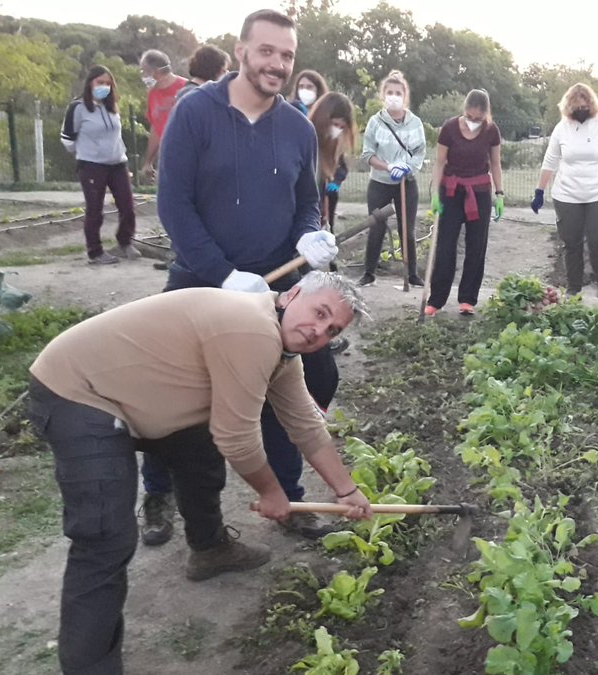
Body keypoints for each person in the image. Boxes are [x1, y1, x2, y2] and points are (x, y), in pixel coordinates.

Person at [28, 271, 374, 675]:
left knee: (198, 453)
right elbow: (238, 437)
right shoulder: (253, 330)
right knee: (104, 538)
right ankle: (89, 668)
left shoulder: (283, 351)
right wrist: (272, 494)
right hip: (79, 392)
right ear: (293, 293)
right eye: (319, 313)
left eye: (331, 329)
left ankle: (209, 550)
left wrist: (347, 491)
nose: (318, 331)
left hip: (137, 392)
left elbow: (305, 425)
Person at [150, 8, 341, 543]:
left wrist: (309, 235)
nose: (276, 65)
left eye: (286, 55)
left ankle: (289, 498)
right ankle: (159, 494)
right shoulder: (195, 113)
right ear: (241, 51)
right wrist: (222, 273)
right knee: (179, 399)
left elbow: (307, 204)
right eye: (266, 52)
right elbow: (175, 208)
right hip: (201, 281)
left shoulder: (297, 130)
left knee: (298, 384)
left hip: (276, 285)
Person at [532, 83, 598, 303]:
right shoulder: (562, 128)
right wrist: (539, 191)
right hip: (567, 194)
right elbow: (550, 161)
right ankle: (574, 288)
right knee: (571, 242)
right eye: (576, 106)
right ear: (569, 107)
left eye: (585, 106)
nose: (581, 110)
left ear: (591, 105)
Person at [425, 89, 503, 316]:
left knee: (476, 246)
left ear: (486, 115)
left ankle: (467, 299)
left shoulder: (491, 131)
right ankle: (436, 300)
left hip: (479, 192)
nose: (473, 122)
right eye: (470, 117)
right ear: (464, 110)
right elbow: (439, 162)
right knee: (446, 246)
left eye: (478, 118)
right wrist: (435, 194)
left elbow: (496, 164)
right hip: (451, 191)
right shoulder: (449, 128)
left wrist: (499, 194)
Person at [60, 65, 139, 266]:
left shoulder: (111, 106)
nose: (104, 87)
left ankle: (125, 241)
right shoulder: (78, 108)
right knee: (95, 210)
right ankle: (95, 251)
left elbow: (116, 134)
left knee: (127, 206)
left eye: (108, 84)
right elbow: (67, 137)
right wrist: (85, 152)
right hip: (92, 165)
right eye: (100, 83)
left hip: (118, 163)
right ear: (90, 83)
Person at [359, 69, 427, 287]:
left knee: (406, 229)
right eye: (390, 92)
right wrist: (389, 167)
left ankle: (412, 274)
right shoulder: (375, 122)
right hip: (380, 182)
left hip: (406, 183)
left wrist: (407, 168)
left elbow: (419, 152)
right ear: (383, 95)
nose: (394, 96)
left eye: (398, 92)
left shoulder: (415, 123)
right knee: (376, 226)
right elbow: (367, 154)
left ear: (404, 95)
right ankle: (369, 273)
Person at [308, 92, 357, 233]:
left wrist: (335, 181)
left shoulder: (333, 146)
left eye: (342, 127)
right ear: (323, 119)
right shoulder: (307, 142)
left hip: (321, 210)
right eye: (335, 124)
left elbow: (341, 167)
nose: (337, 130)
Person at [139, 49, 188, 182]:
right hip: (168, 157)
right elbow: (156, 128)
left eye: (144, 70)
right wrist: (148, 162)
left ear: (155, 72)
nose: (142, 75)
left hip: (190, 157)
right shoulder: (152, 93)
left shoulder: (186, 88)